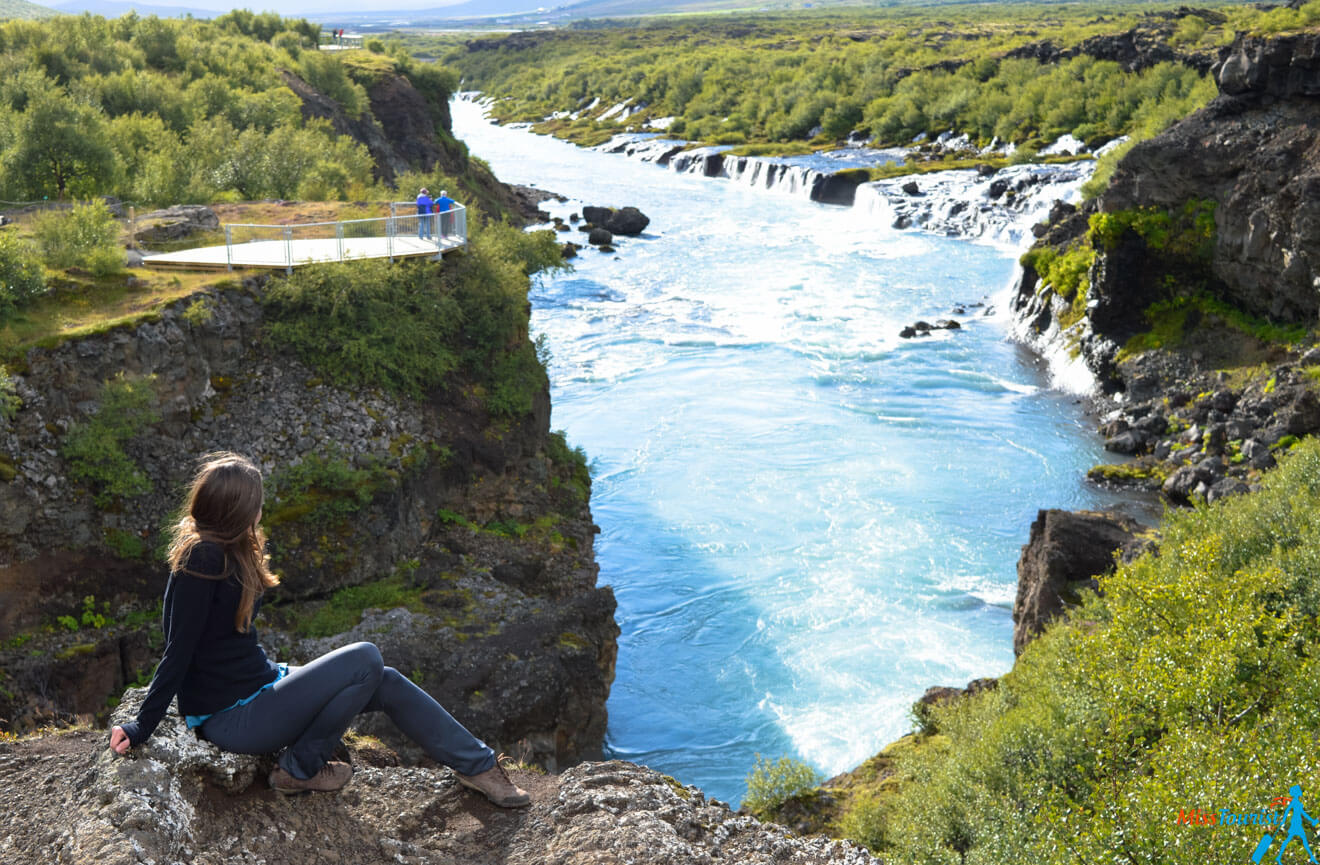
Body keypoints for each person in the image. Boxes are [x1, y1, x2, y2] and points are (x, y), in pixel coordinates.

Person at [108, 452, 529, 806]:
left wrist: (276, 676)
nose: (261, 511)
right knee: (366, 657)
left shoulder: (224, 550)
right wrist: (141, 726)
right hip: (233, 716)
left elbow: (224, 649)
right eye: (257, 503)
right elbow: (178, 650)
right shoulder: (204, 559)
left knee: (386, 681)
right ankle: (300, 768)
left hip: (256, 688)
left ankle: (480, 768)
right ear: (236, 511)